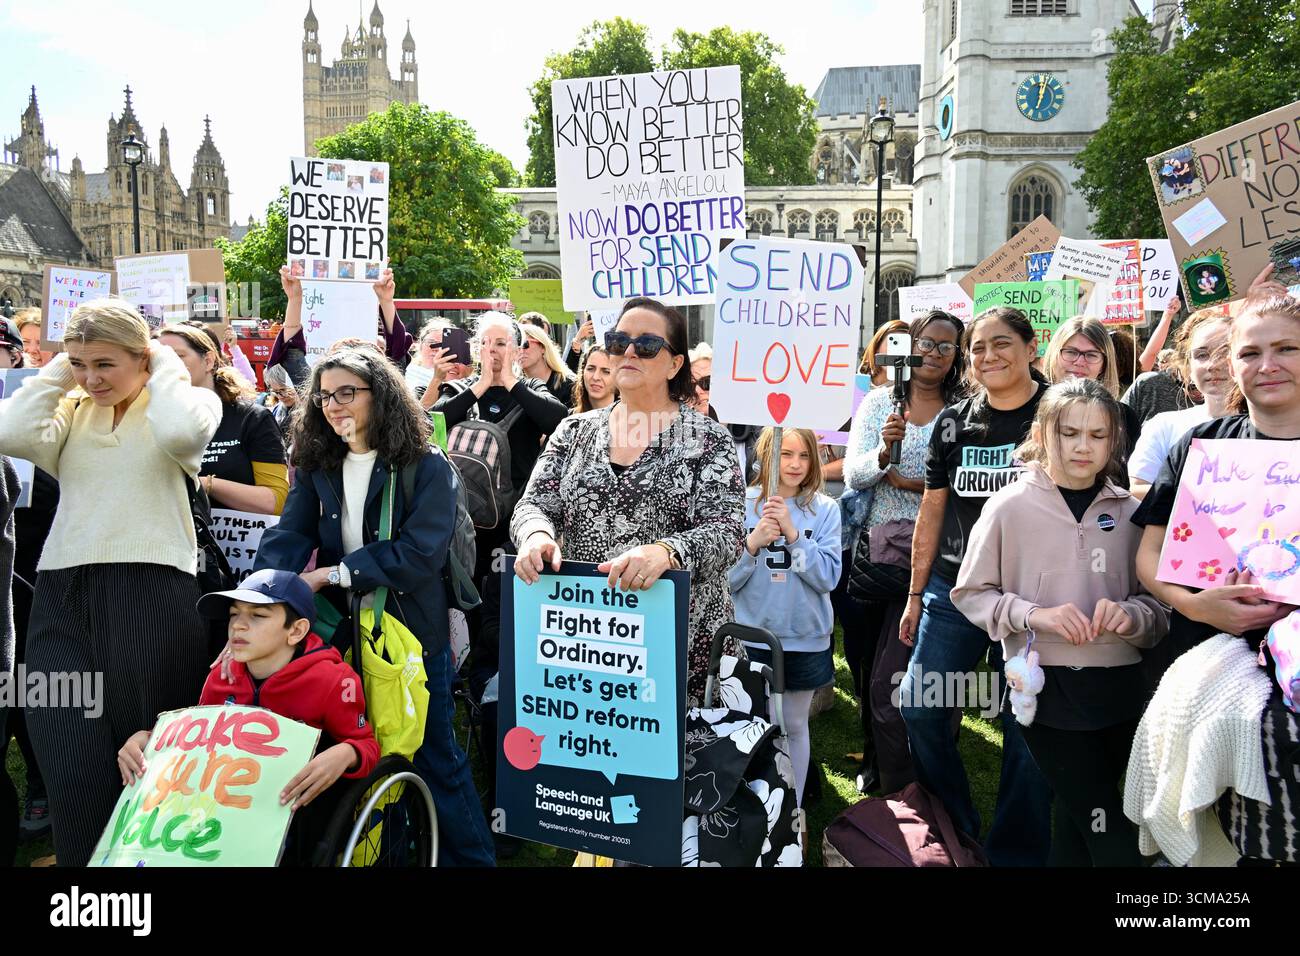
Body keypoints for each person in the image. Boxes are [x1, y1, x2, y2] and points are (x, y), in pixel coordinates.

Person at [252, 346, 496, 867]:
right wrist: (262, 589)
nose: (333, 405)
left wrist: (336, 573)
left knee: (432, 755)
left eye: (347, 393)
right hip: (343, 632)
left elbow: (420, 552)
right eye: (324, 396)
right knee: (359, 749)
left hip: (410, 630)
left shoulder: (426, 464)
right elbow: (291, 531)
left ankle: (470, 862)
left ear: (379, 395)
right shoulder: (318, 462)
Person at [0, 298, 221, 867]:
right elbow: (9, 428)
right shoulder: (70, 411)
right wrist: (60, 367)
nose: (91, 378)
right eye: (80, 364)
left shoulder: (189, 401)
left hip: (152, 592)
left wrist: (164, 364)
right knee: (67, 750)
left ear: (141, 356)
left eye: (105, 364)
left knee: (146, 757)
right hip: (62, 593)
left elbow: (178, 435)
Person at [952, 378, 1168, 866]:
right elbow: (969, 594)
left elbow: (1159, 610)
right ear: (1044, 432)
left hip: (1121, 690)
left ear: (1114, 440)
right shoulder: (1007, 507)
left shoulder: (1133, 512)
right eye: (1070, 433)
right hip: (1046, 692)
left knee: (1076, 824)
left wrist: (1131, 617)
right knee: (1110, 828)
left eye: (1097, 435)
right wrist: (1035, 615)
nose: (1082, 447)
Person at [512, 296, 746, 704]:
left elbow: (727, 533)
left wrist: (667, 552)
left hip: (679, 649)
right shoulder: (574, 430)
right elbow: (533, 505)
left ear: (675, 364)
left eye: (647, 345)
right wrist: (535, 535)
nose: (630, 352)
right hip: (587, 641)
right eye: (619, 341)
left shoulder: (707, 438)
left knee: (675, 766)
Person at [897, 306, 1052, 867]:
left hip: (1034, 599)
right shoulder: (953, 422)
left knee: (1025, 728)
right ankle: (956, 831)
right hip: (955, 590)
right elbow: (932, 512)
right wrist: (915, 595)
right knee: (919, 705)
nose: (988, 356)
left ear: (1033, 348)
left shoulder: (1058, 412)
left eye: (1001, 344)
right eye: (977, 347)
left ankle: (1015, 853)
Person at [115, 569, 380, 862]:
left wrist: (346, 751)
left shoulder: (333, 680)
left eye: (257, 616)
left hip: (292, 816)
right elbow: (197, 748)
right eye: (233, 615)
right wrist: (149, 741)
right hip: (220, 815)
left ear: (296, 631)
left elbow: (367, 746)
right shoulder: (222, 675)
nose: (238, 626)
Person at [1133, 294, 1300, 672]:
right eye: (1249, 354)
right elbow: (1149, 554)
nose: (1268, 365)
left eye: (1286, 348)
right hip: (1205, 657)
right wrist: (1195, 606)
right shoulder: (1200, 444)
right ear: (1233, 364)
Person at [845, 309, 963, 795]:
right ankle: (880, 756)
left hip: (942, 560)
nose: (932, 354)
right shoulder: (879, 403)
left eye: (945, 347)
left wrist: (917, 484)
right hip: (882, 556)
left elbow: (969, 488)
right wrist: (882, 456)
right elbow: (854, 477)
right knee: (869, 665)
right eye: (925, 344)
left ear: (956, 356)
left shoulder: (966, 409)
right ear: (908, 347)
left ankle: (927, 770)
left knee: (927, 675)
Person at [729, 428, 840, 806]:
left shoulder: (825, 510)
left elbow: (826, 577)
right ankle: (752, 805)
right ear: (767, 456)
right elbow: (726, 580)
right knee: (750, 725)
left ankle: (792, 810)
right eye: (786, 454)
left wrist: (794, 536)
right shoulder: (741, 505)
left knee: (793, 724)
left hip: (804, 637)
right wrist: (752, 543)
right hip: (752, 638)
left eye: (804, 456)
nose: (794, 464)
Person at [430, 311, 568, 583]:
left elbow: (558, 420)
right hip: (462, 517)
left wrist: (510, 383)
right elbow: (433, 424)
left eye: (501, 343)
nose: (492, 349)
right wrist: (480, 386)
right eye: (485, 342)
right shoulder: (460, 388)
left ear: (517, 351)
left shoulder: (529, 387)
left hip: (511, 517)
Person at [158, 324, 288, 516]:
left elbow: (276, 501)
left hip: (236, 543)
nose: (165, 366)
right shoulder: (152, 420)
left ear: (208, 360)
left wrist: (205, 484)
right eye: (157, 360)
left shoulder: (252, 418)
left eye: (178, 356)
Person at [1129, 306, 1233, 500]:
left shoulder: (1271, 425)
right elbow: (1136, 490)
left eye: (1224, 353)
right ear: (1188, 367)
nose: (1213, 365)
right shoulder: (1164, 425)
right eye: (1202, 355)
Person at [269, 264, 413, 385]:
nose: (334, 405)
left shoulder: (387, 398)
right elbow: (292, 353)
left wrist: (385, 300)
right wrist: (295, 298)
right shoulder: (319, 401)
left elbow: (292, 353)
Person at [1042, 316, 1143, 465]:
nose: (1080, 362)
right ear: (1054, 355)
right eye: (1071, 352)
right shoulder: (1030, 404)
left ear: (1104, 364)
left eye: (1091, 355)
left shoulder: (1124, 417)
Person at [519, 321, 575, 406]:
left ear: (543, 347)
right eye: (515, 345)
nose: (520, 350)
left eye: (525, 344)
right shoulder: (514, 385)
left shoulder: (569, 385)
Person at [571, 343, 616, 413]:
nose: (596, 377)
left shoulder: (629, 419)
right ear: (583, 371)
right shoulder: (569, 419)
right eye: (591, 369)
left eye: (606, 372)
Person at [262, 361, 299, 444]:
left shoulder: (310, 411)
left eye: (284, 389)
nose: (281, 396)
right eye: (275, 391)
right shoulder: (275, 411)